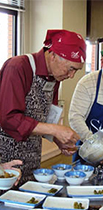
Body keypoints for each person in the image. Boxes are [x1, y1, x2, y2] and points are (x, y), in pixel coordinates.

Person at [0, 29, 86, 185]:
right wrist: (55, 130)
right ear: (52, 55)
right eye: (71, 69)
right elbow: (8, 118)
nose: (71, 76)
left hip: (32, 157)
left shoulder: (54, 77)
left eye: (76, 71)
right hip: (5, 159)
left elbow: (46, 117)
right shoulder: (18, 67)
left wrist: (58, 139)